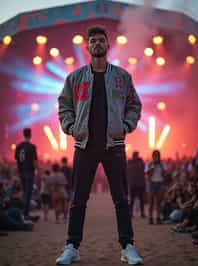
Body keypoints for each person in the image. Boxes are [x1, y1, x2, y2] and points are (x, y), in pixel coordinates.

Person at [56, 26, 143, 265]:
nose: (96, 43)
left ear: (107, 45)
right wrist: (71, 127)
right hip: (84, 145)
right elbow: (64, 105)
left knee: (121, 199)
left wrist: (126, 125)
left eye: (100, 40)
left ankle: (127, 246)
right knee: (78, 199)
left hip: (114, 144)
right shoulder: (75, 78)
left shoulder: (122, 77)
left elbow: (135, 104)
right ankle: (72, 246)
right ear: (87, 46)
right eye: (92, 40)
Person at [14, 128, 38, 220]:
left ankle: (24, 212)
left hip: (21, 172)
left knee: (24, 192)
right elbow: (34, 161)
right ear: (30, 135)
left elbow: (17, 159)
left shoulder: (18, 146)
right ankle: (25, 213)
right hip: (29, 172)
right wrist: (36, 170)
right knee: (28, 193)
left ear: (23, 134)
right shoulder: (32, 147)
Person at [145, 150, 167, 224]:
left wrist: (161, 168)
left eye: (157, 156)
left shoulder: (162, 163)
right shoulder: (149, 163)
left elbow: (165, 174)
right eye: (155, 156)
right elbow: (147, 175)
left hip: (160, 183)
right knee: (150, 202)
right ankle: (150, 218)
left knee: (158, 202)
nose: (156, 157)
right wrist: (152, 169)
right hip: (151, 183)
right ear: (153, 156)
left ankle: (158, 218)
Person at [127, 151, 146, 218]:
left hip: (134, 184)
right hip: (138, 184)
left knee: (134, 200)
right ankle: (141, 213)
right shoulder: (140, 163)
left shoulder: (129, 163)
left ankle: (131, 213)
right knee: (139, 200)